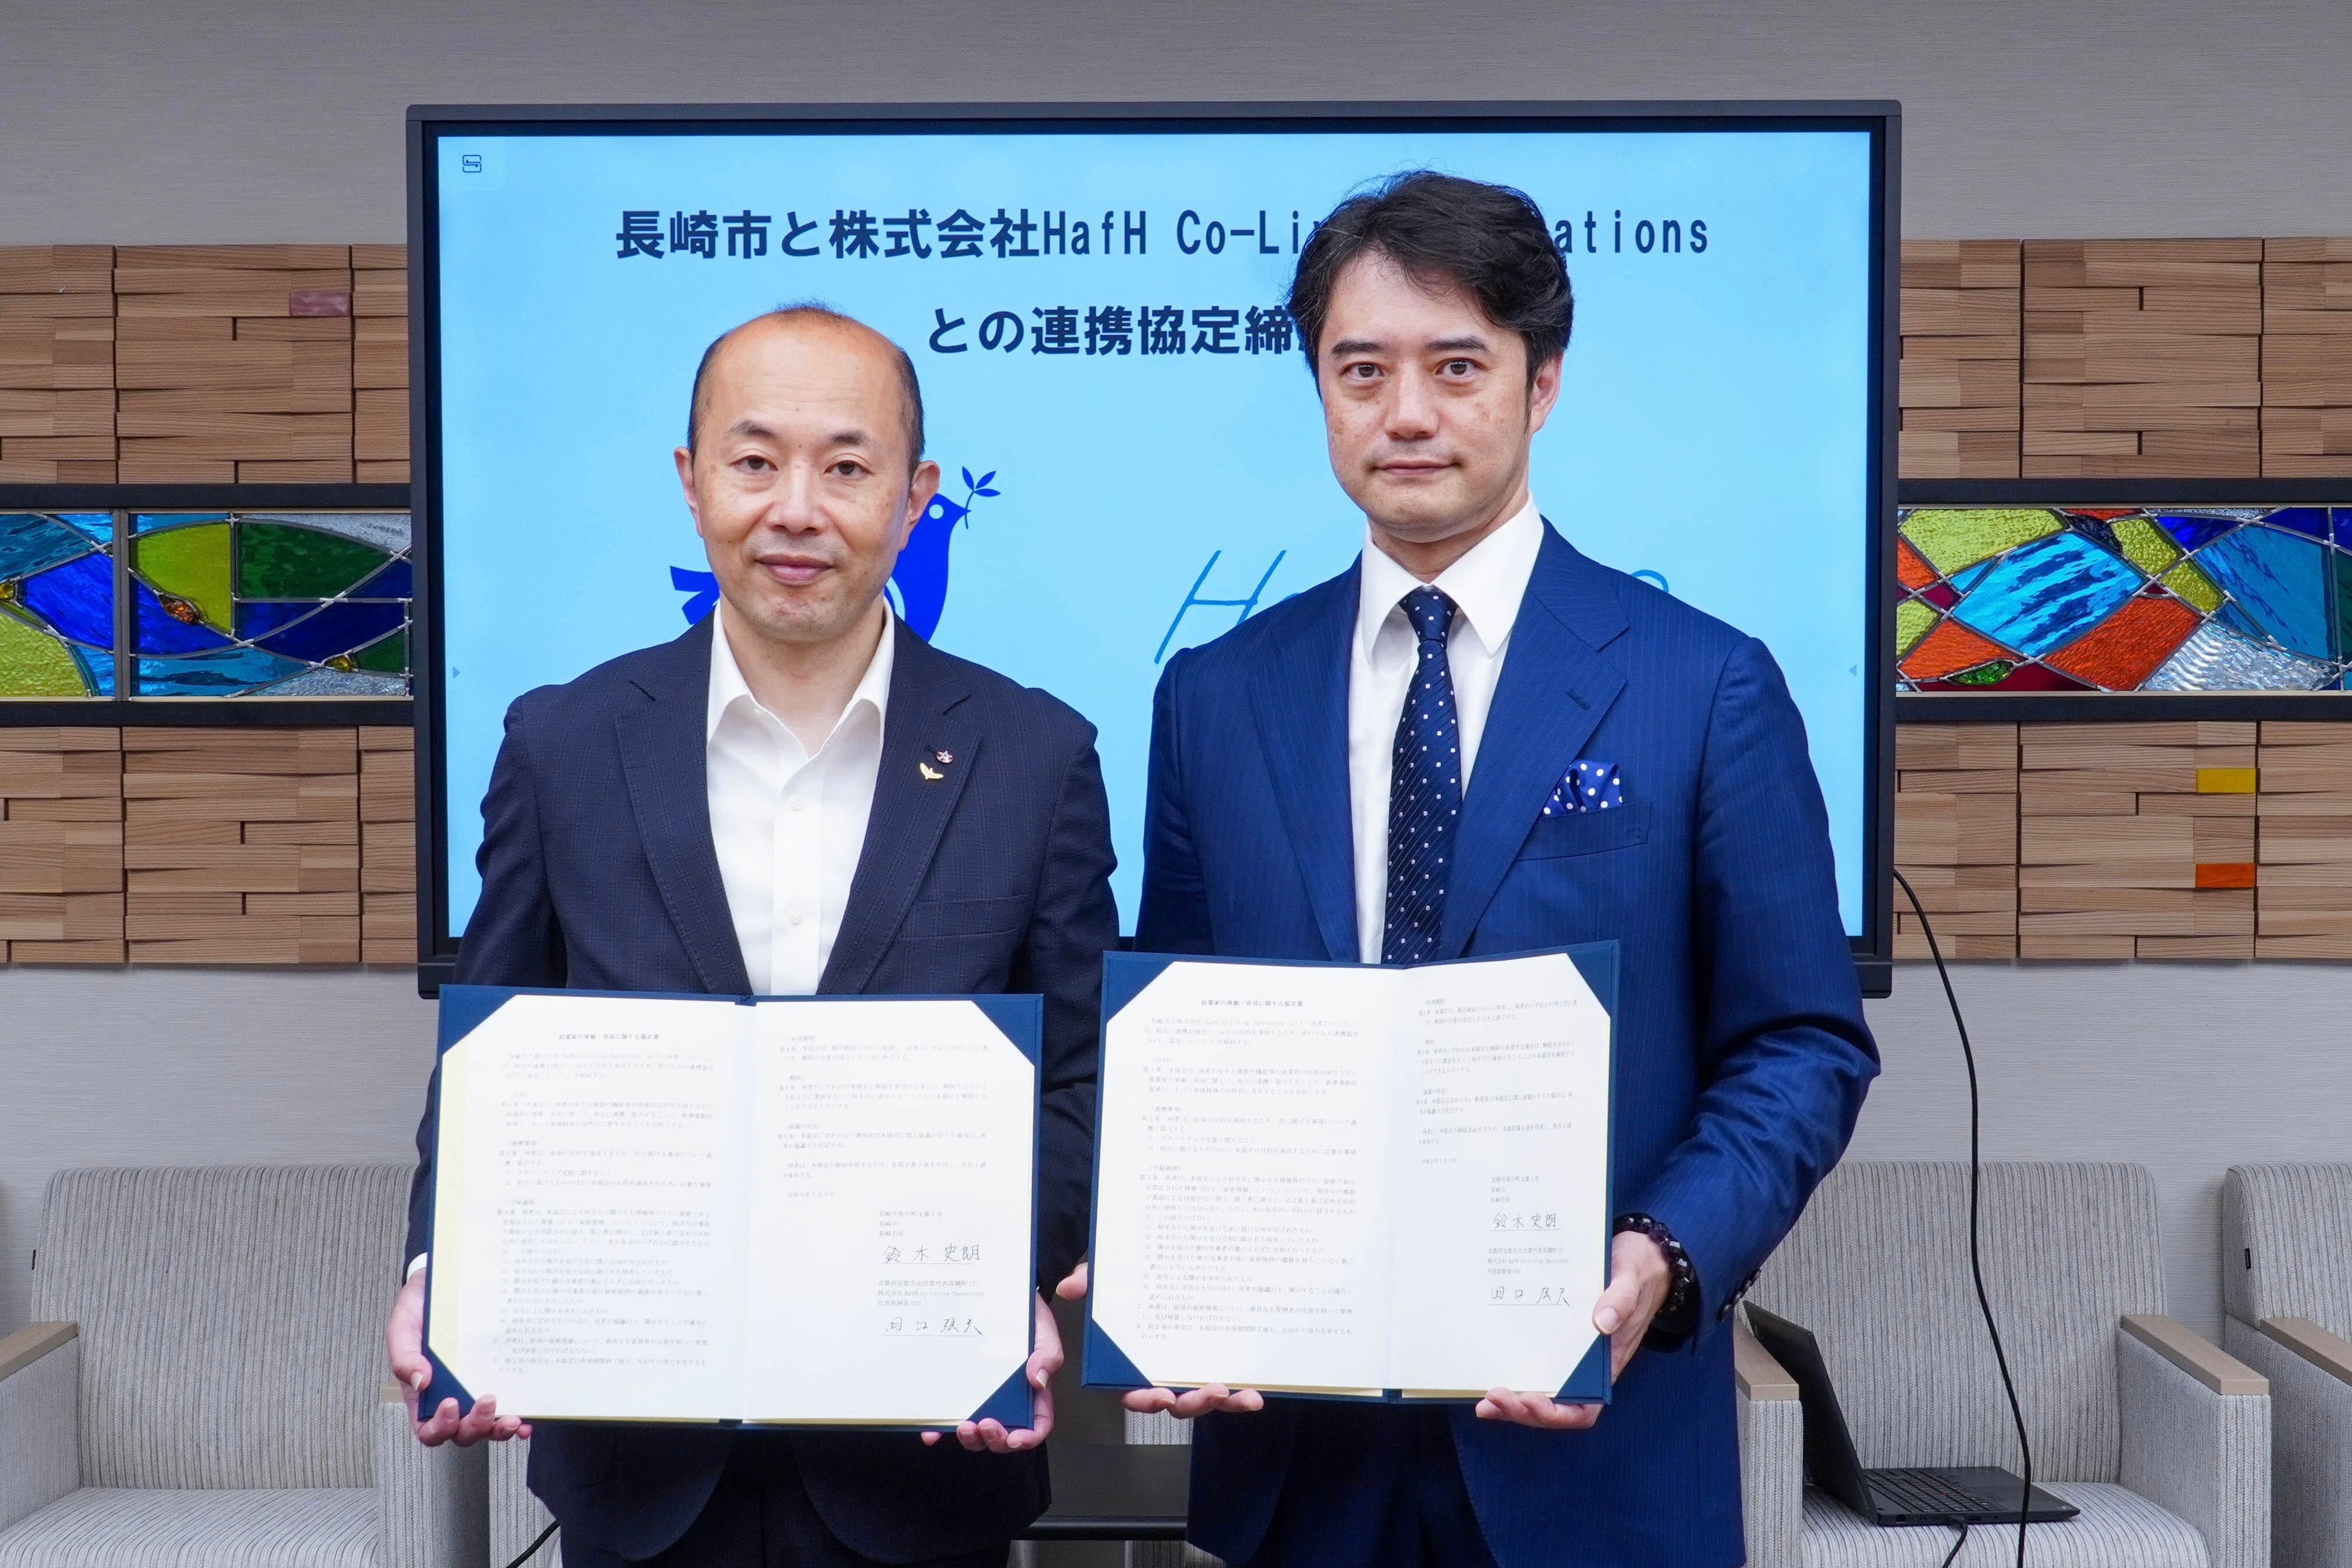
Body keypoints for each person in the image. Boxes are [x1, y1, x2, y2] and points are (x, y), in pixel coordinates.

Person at [1096, 172, 1880, 1566]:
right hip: (1297, 1462)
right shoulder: (1216, 694)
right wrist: (1167, 1267)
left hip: (1592, 1453)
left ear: (1543, 383)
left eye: (1456, 366)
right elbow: (1180, 1031)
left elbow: (1802, 1042)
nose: (1406, 413)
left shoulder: (1703, 685)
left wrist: (1663, 1255)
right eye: (1362, 370)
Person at [385, 304, 1117, 1567]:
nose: (796, 509)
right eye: (755, 460)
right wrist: (437, 1269)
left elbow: (1079, 1077)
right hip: (639, 1459)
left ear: (915, 496)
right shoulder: (562, 745)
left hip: (925, 1463)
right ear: (691, 482)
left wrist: (1004, 1274)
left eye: (848, 467)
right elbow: (492, 1055)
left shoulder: (1035, 754)